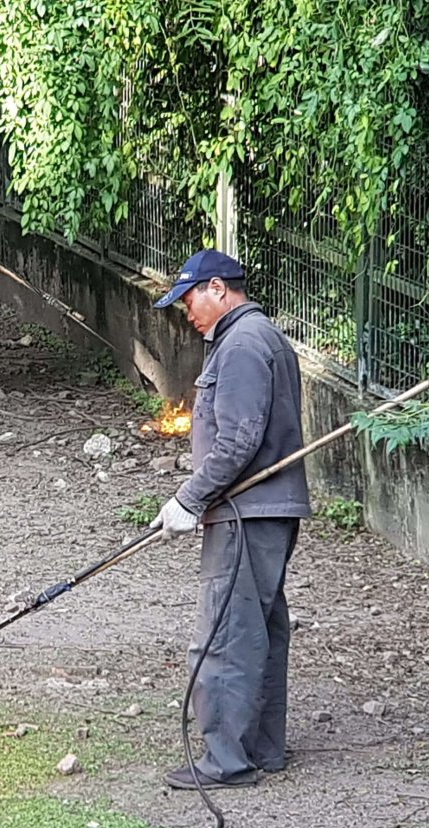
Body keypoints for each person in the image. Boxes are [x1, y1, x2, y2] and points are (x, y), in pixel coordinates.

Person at [149, 249, 312, 790]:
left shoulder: (242, 343)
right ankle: (261, 749)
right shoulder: (261, 337)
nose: (187, 313)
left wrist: (190, 498)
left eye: (189, 300)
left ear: (218, 288)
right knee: (259, 629)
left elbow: (238, 440)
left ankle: (226, 760)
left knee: (225, 634)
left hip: (246, 511)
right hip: (263, 511)